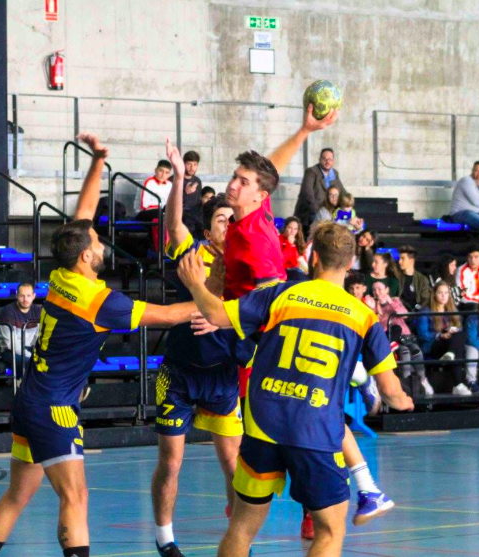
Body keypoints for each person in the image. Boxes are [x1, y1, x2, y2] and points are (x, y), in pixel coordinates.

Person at [0, 133, 198, 557]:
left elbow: (82, 216)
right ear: (86, 258)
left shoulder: (61, 275)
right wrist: (224, 303)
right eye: (96, 242)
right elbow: (170, 315)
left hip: (30, 398)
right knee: (75, 497)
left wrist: (97, 161)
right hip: (54, 407)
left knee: (17, 496)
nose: (101, 243)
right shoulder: (99, 301)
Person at [210, 106, 397, 539]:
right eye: (235, 178)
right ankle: (353, 488)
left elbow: (268, 299)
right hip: (260, 330)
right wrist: (304, 130)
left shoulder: (256, 241)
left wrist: (212, 312)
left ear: (257, 196)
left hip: (260, 342)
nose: (233, 184)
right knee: (312, 412)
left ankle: (314, 504)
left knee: (292, 417)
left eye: (241, 181)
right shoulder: (248, 215)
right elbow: (268, 172)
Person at [177, 222, 413, 557]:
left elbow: (215, 313)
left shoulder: (280, 294)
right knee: (330, 532)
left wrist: (195, 284)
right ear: (350, 264)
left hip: (263, 425)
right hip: (315, 433)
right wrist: (404, 401)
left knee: (242, 528)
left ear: (314, 257)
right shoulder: (364, 317)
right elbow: (390, 391)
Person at [150, 139, 248, 557]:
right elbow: (173, 225)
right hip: (180, 372)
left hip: (222, 375)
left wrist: (221, 318)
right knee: (172, 461)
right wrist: (177, 177)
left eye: (233, 218)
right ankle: (165, 538)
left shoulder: (248, 266)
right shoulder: (194, 254)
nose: (229, 223)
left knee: (233, 463)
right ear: (209, 232)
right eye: (222, 219)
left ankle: (238, 537)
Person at [370, 281, 433, 396]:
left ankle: (423, 380)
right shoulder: (372, 305)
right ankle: (406, 384)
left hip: (405, 336)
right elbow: (376, 325)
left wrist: (390, 302)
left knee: (416, 352)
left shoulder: (395, 301)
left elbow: (404, 314)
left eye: (379, 289)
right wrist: (376, 308)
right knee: (404, 352)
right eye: (374, 290)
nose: (377, 292)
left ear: (386, 290)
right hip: (390, 338)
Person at [416, 282, 469, 394]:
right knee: (457, 348)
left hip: (449, 344)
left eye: (446, 293)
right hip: (432, 345)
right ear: (434, 294)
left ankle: (451, 354)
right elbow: (422, 333)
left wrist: (452, 330)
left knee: (460, 336)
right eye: (440, 293)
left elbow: (459, 328)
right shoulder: (426, 311)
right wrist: (440, 335)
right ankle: (457, 385)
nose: (443, 296)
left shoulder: (452, 309)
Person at [294, 147, 348, 231]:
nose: (327, 161)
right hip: (311, 213)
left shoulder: (334, 173)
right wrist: (317, 211)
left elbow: (343, 192)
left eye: (330, 159)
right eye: (324, 159)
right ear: (319, 160)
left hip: (328, 213)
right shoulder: (311, 172)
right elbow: (307, 193)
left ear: (333, 161)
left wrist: (348, 205)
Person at [0, 282, 42, 371]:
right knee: (32, 365)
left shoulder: (38, 310)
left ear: (33, 296)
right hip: (9, 351)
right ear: (17, 295)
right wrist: (31, 356)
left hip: (30, 349)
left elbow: (39, 337)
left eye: (28, 296)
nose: (25, 299)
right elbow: (11, 344)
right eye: (22, 296)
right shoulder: (8, 311)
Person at [397, 246, 432, 312]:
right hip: (400, 312)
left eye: (402, 259)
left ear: (411, 260)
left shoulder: (422, 279)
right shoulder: (396, 277)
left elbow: (425, 298)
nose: (399, 261)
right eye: (400, 258)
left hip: (417, 313)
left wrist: (417, 308)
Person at [181, 150, 204, 238]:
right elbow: (170, 204)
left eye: (195, 164)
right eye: (189, 164)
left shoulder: (197, 181)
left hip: (195, 216)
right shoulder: (175, 180)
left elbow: (198, 202)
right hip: (181, 215)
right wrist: (185, 193)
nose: (192, 168)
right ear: (184, 164)